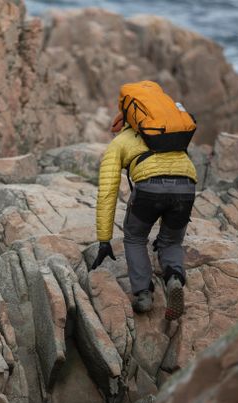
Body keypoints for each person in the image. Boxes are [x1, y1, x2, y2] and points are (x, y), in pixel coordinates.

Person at [90, 92, 197, 321]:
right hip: (186, 187)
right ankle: (173, 279)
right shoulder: (171, 134)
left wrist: (104, 240)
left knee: (135, 237)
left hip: (150, 189)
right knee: (171, 241)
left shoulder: (120, 142)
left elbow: (107, 192)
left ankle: (143, 295)